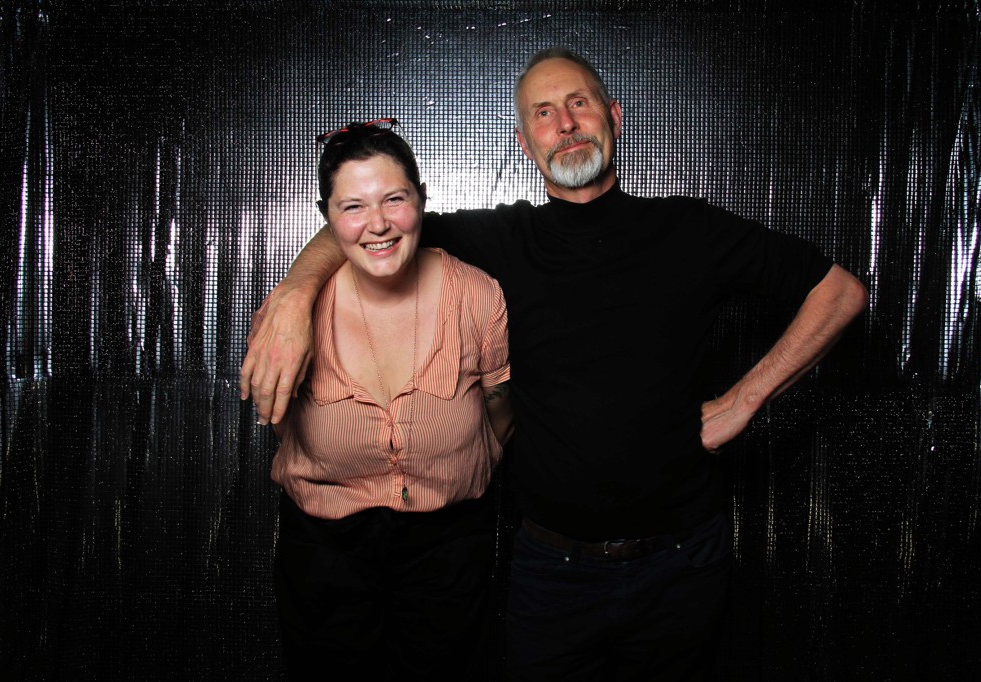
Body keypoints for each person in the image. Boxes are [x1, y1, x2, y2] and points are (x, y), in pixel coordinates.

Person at [242, 48, 868, 680]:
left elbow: (839, 292)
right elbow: (375, 223)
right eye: (543, 113)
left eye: (578, 103)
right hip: (551, 571)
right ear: (523, 143)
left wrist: (744, 400)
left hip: (682, 561)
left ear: (614, 117)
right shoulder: (500, 242)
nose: (565, 123)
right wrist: (296, 295)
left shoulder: (689, 228)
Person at [259, 119, 512, 681]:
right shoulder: (291, 315)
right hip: (326, 554)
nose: (377, 224)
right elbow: (282, 423)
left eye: (394, 199)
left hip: (450, 548)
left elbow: (500, 406)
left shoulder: (477, 295)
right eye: (353, 207)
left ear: (421, 199)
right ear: (327, 219)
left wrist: (462, 463)